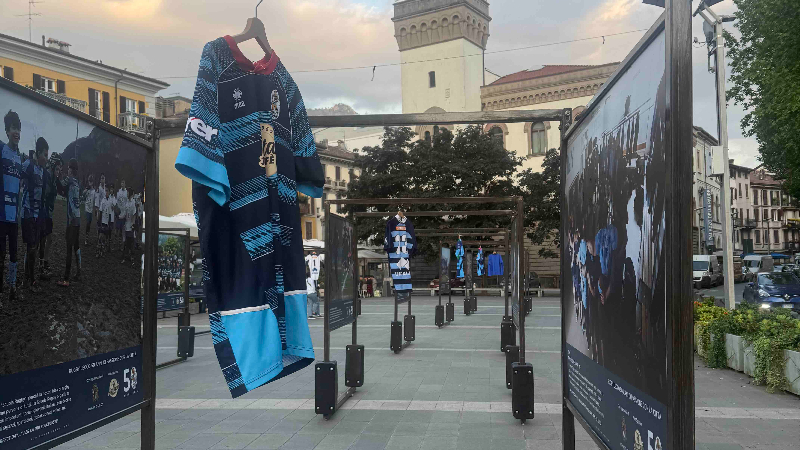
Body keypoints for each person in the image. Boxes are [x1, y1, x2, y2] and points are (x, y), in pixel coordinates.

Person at [1, 110, 23, 300]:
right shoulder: (1, 150)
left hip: (14, 216)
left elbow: (20, 188)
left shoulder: (20, 158)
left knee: (14, 255)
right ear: (7, 131)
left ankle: (13, 288)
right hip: (1, 215)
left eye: (18, 129)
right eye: (13, 128)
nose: (16, 132)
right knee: (1, 256)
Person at [20, 138, 46, 291]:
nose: (46, 158)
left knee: (32, 248)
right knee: (31, 248)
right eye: (45, 155)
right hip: (28, 213)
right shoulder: (28, 165)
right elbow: (17, 178)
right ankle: (31, 281)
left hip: (37, 215)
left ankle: (26, 278)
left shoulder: (42, 170)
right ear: (38, 153)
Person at [56, 159, 81, 287]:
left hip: (71, 220)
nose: (67, 170)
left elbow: (60, 186)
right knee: (76, 246)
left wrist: (56, 176)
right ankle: (79, 271)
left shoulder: (70, 179)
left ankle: (66, 279)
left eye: (68, 168)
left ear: (71, 169)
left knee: (68, 249)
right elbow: (65, 193)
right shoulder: (77, 182)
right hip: (78, 219)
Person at [38, 152, 60, 280]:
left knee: (49, 239)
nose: (58, 172)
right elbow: (44, 197)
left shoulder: (54, 180)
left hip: (49, 214)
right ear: (52, 167)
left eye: (59, 169)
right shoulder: (47, 177)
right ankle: (41, 266)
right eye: (57, 169)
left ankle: (44, 262)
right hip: (44, 213)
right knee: (41, 241)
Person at [121, 190, 136, 265]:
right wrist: (120, 216)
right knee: (126, 241)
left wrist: (133, 224)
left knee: (131, 242)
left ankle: (131, 257)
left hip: (131, 226)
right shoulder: (126, 202)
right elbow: (124, 213)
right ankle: (124, 257)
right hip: (126, 224)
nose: (126, 194)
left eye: (127, 193)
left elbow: (134, 214)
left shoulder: (133, 202)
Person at [82, 175, 95, 246]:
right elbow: (83, 194)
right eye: (89, 181)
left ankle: (87, 236)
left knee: (89, 223)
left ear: (93, 182)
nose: (90, 183)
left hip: (91, 209)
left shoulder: (94, 191)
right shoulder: (87, 189)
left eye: (91, 181)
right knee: (87, 222)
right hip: (87, 208)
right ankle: (86, 239)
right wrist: (87, 189)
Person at [94, 173, 105, 243]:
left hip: (105, 210)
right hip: (100, 209)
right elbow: (97, 200)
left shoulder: (106, 188)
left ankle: (102, 239)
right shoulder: (99, 188)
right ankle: (98, 238)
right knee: (99, 224)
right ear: (100, 180)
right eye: (101, 178)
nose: (103, 180)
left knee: (104, 225)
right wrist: (97, 210)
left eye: (103, 178)